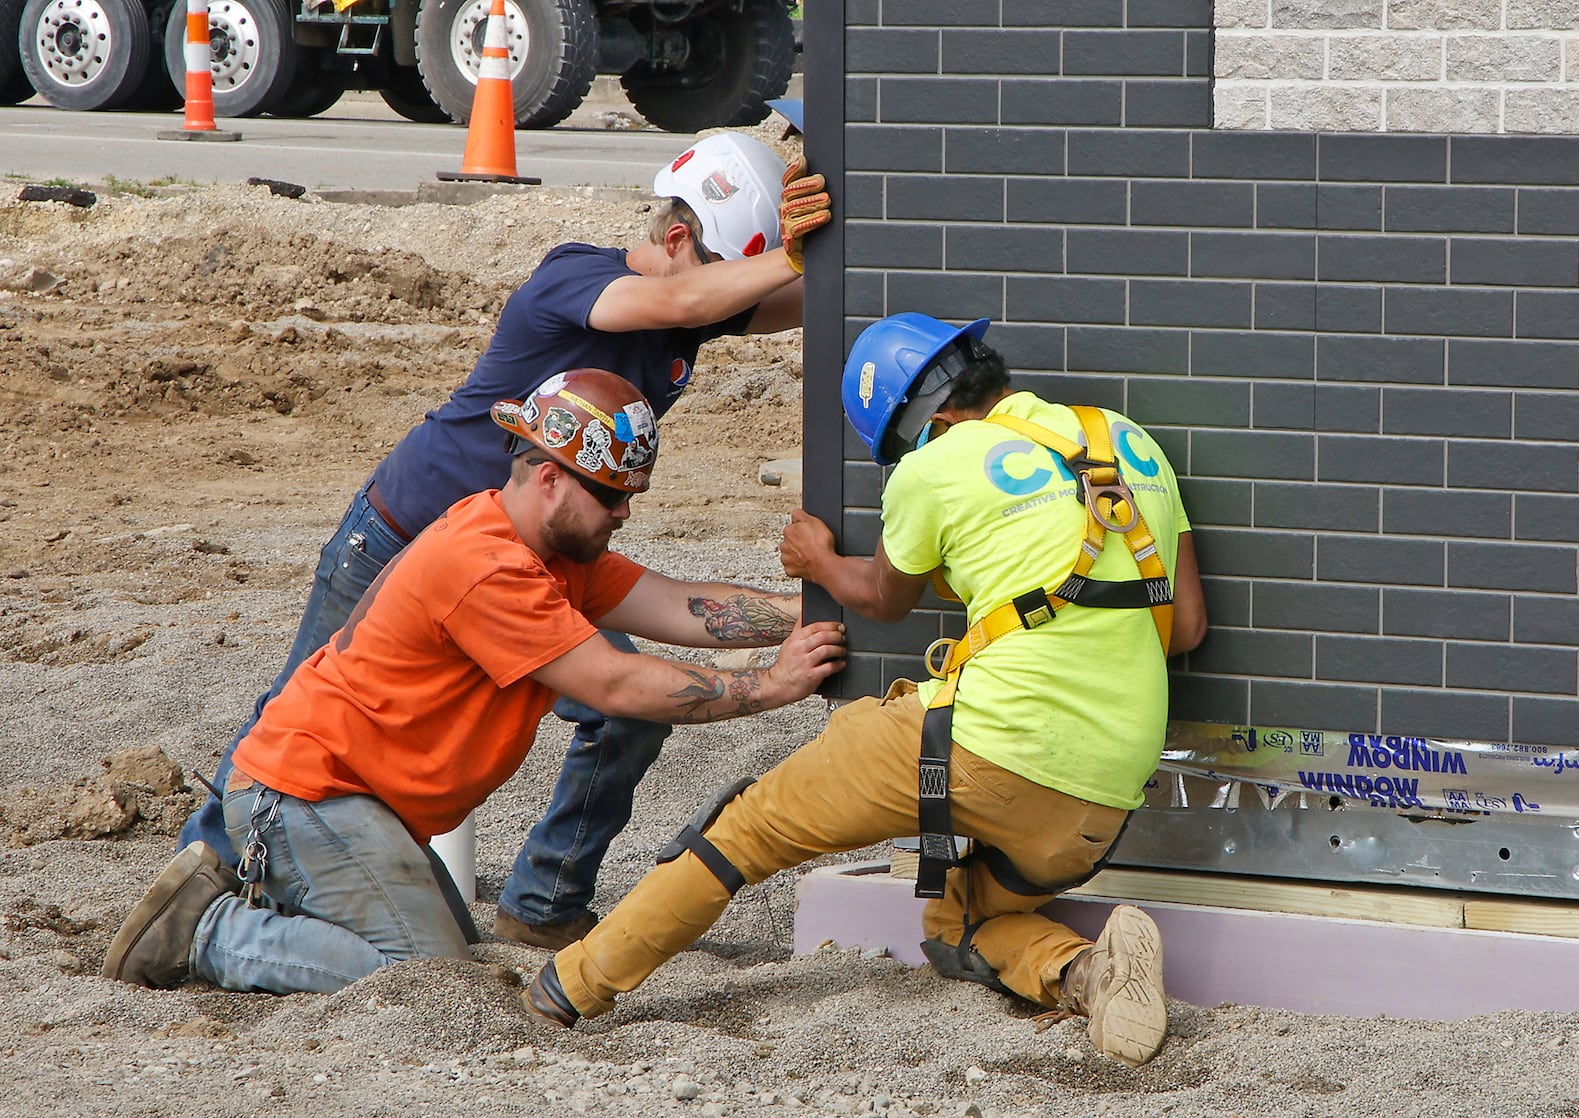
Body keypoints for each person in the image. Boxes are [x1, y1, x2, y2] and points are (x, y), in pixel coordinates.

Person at [175, 130, 833, 950]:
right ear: (673, 240)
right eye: (729, 274)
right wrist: (794, 260)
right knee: (301, 714)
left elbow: (775, 296)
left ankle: (543, 902)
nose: (735, 302)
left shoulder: (697, 304)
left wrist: (854, 242)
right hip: (407, 533)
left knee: (627, 713)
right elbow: (685, 302)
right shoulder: (577, 278)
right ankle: (200, 876)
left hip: (532, 553)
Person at [521, 313, 1208, 1068]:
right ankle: (1086, 974)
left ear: (935, 422)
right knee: (958, 924)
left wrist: (817, 560)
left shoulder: (936, 467)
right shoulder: (1123, 440)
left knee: (747, 830)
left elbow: (882, 597)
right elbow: (1183, 629)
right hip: (1100, 805)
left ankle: (568, 986)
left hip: (987, 746)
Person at [102, 370, 847, 995]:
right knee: (428, 978)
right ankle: (204, 931)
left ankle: (265, 898)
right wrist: (771, 688)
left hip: (355, 801)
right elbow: (616, 685)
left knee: (458, 960)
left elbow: (675, 605)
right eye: (612, 495)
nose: (623, 512)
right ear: (551, 479)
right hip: (307, 795)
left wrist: (803, 610)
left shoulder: (549, 548)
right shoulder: (487, 566)